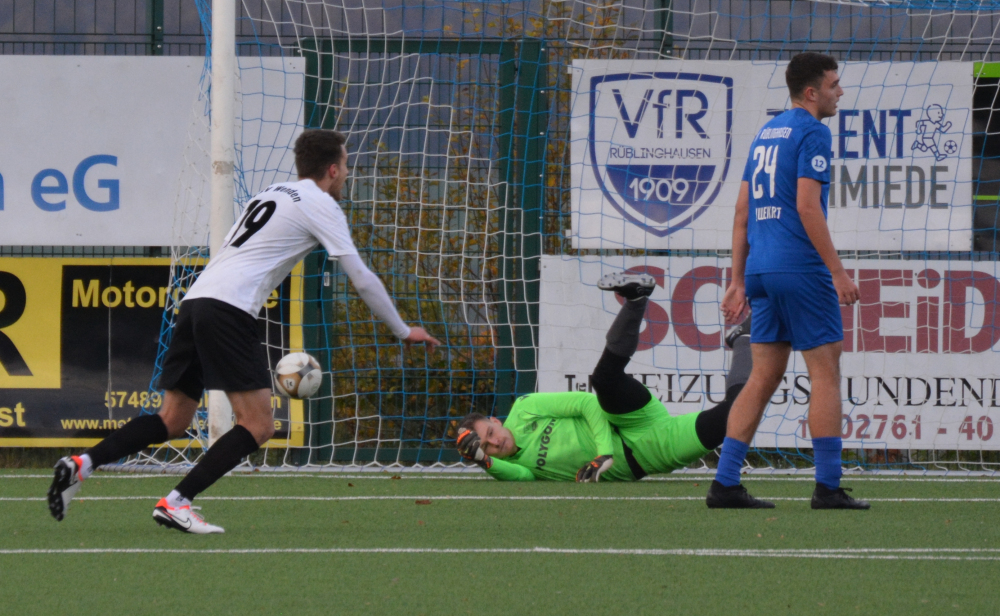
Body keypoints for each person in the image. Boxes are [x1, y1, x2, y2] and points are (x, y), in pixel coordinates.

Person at [48, 129, 441, 533]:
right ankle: (176, 502)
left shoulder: (273, 192)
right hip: (228, 309)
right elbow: (362, 277)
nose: (347, 174)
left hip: (196, 302)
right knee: (259, 424)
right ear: (332, 169)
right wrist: (402, 330)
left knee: (173, 419)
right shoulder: (320, 203)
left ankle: (82, 464)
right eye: (346, 166)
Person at [706, 52, 868, 510]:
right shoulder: (813, 131)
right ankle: (828, 487)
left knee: (763, 376)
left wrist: (738, 280)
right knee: (825, 372)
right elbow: (807, 206)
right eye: (834, 84)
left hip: (761, 269)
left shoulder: (766, 133)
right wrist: (837, 271)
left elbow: (742, 212)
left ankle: (724, 483)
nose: (840, 92)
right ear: (812, 92)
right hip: (799, 268)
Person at [455, 273, 752, 482]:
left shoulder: (524, 409)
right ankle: (744, 339)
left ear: (495, 421)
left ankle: (636, 299)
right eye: (487, 446)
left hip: (628, 417)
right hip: (649, 453)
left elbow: (587, 404)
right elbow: (523, 477)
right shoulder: (510, 466)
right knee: (737, 411)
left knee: (604, 380)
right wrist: (484, 461)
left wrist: (604, 454)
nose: (495, 443)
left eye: (490, 433)